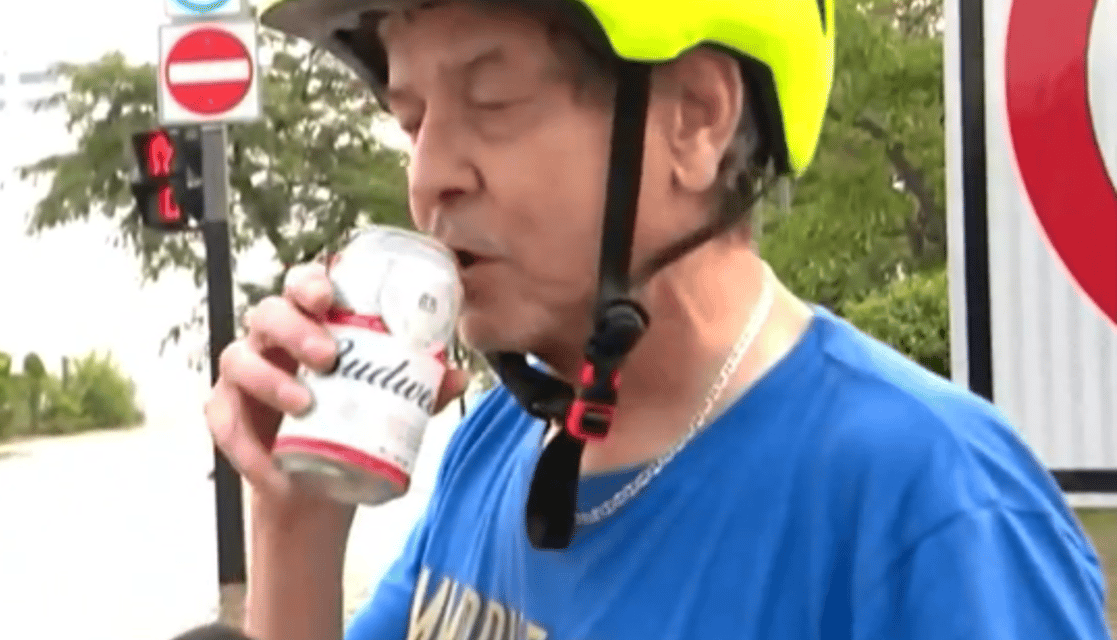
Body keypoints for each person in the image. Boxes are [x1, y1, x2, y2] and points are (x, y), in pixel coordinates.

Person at [202, 0, 1111, 638]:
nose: (430, 174)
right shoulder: (499, 448)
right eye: (413, 119)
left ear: (696, 121)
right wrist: (295, 521)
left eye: (492, 101)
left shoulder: (928, 502)